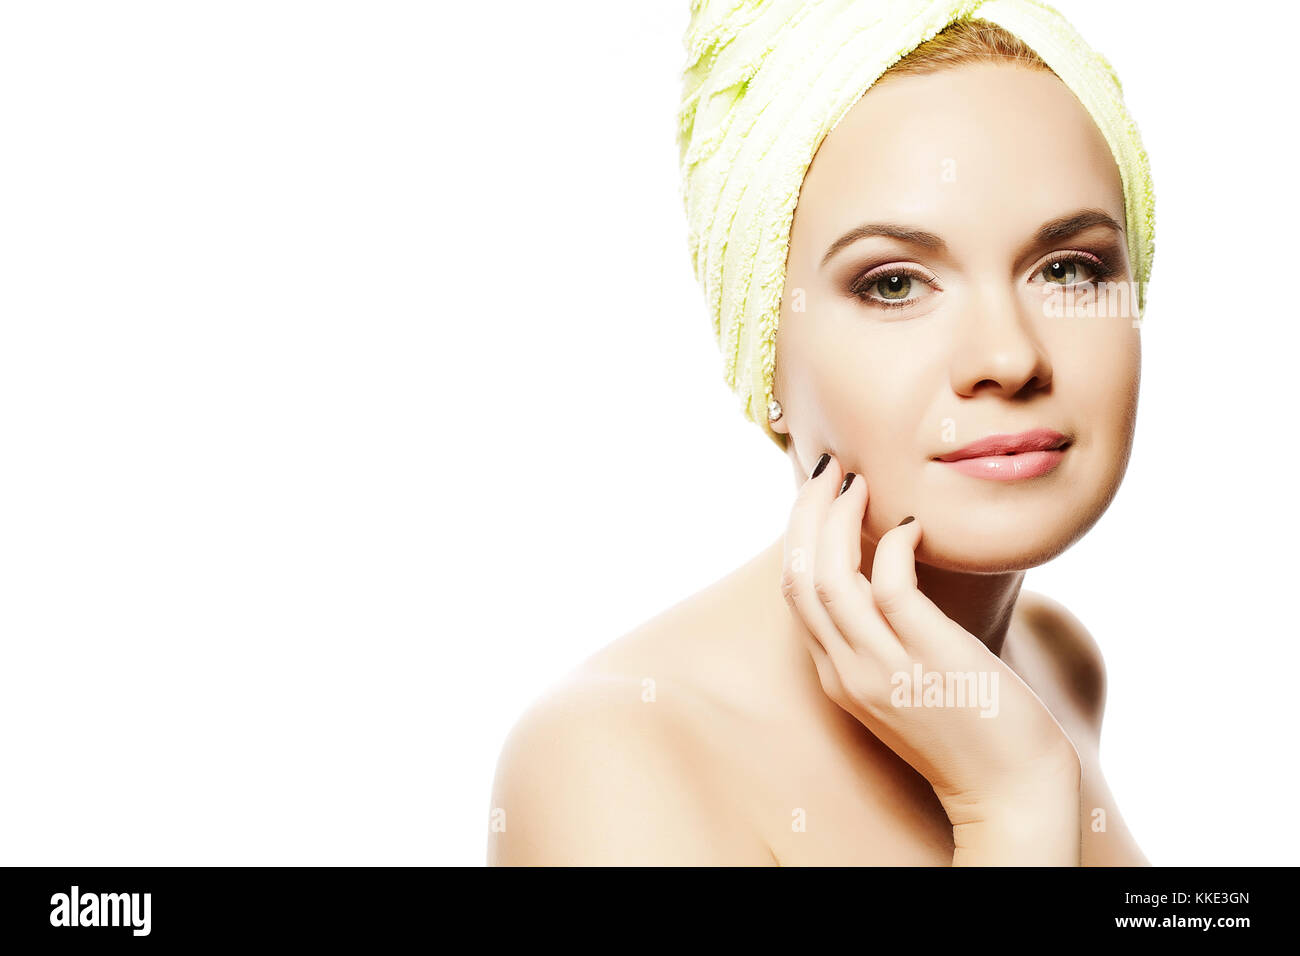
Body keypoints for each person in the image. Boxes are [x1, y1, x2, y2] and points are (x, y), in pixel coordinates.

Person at [489, 7, 1154, 866]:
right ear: (762, 353)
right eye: (892, 284)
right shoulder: (609, 762)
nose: (1008, 356)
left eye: (1069, 268)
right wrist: (1012, 806)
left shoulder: (1060, 664)